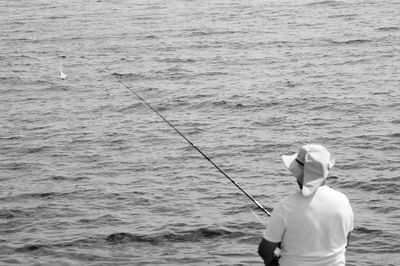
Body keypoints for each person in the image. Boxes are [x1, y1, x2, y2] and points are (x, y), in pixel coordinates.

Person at [258, 144, 354, 266]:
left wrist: (273, 260)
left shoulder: (285, 206)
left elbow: (264, 251)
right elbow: (345, 244)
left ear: (297, 173)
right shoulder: (343, 201)